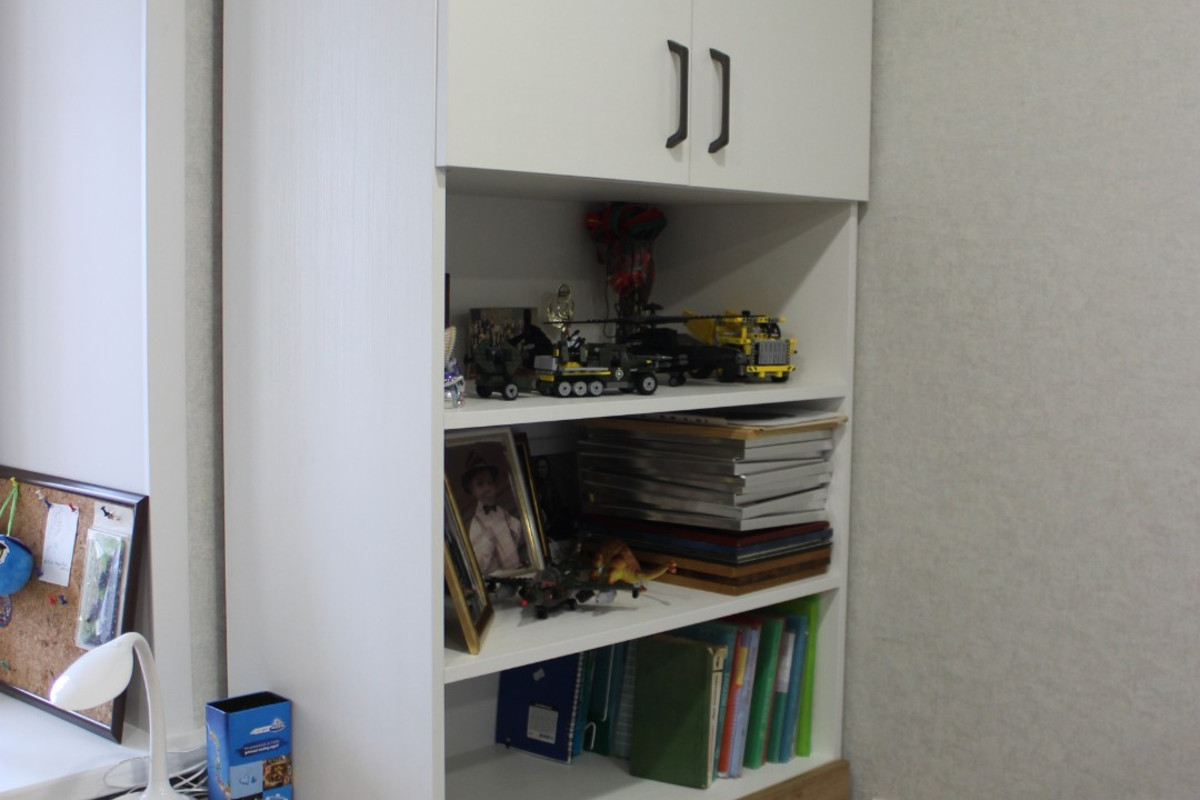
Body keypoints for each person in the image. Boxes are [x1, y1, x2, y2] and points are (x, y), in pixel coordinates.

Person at [460, 450, 528, 574]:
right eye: (480, 484)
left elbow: (518, 531)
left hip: (517, 569)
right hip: (499, 576)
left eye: (490, 483)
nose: (487, 488)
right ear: (472, 490)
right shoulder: (476, 522)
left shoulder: (502, 512)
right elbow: (479, 563)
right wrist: (488, 540)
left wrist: (516, 529)